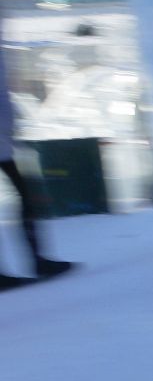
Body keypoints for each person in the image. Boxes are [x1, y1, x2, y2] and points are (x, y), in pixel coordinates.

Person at [0, 44, 75, 289]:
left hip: (4, 144)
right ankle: (36, 262)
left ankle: (37, 261)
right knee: (25, 201)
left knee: (26, 201)